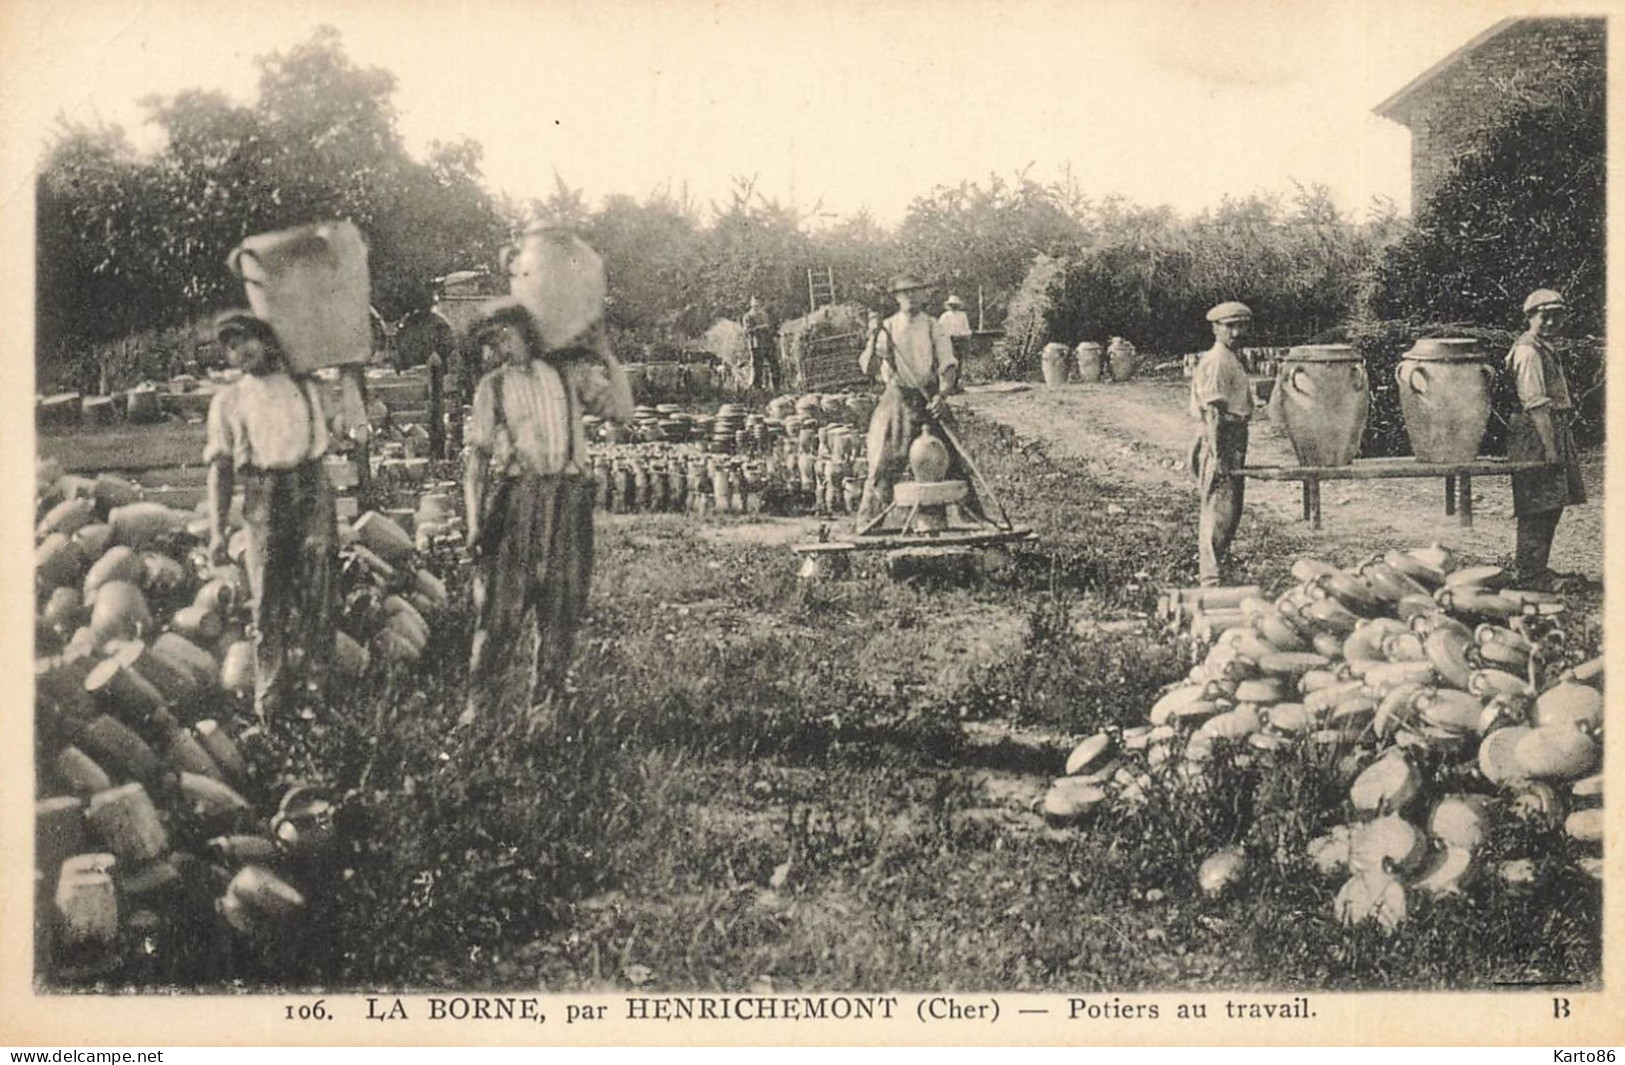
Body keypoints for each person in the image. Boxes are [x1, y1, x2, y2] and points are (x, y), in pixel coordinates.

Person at [461, 296, 634, 726]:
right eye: (489, 339)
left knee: (562, 607)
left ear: (524, 334)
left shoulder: (566, 375)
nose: (497, 345)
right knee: (501, 611)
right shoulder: (492, 388)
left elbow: (622, 412)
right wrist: (473, 521)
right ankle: (480, 711)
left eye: (503, 334)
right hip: (518, 499)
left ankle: (547, 708)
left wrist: (606, 354)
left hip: (569, 500)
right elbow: (476, 462)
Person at [204, 310, 337, 722]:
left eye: (245, 340)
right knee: (267, 601)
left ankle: (317, 691)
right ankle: (271, 698)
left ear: (267, 341)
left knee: (319, 589)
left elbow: (341, 414)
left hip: (310, 490)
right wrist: (217, 530)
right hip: (263, 498)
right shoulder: (229, 401)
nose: (238, 351)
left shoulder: (304, 386)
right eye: (229, 345)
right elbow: (220, 470)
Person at [856, 274, 983, 524]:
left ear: (924, 294)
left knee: (952, 459)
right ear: (896, 297)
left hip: (928, 398)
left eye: (915, 290)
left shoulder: (933, 325)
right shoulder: (888, 327)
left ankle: (976, 524)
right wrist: (872, 337)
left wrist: (941, 395)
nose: (910, 296)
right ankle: (868, 524)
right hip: (898, 399)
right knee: (884, 463)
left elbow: (948, 365)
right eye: (904, 292)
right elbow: (867, 367)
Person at [1506, 289, 1586, 591]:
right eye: (1544, 315)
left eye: (1557, 315)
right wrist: (1550, 448)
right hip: (1534, 432)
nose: (1551, 321)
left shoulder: (1544, 347)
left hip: (1548, 428)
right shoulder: (1528, 351)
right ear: (1529, 317)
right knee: (1537, 503)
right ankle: (1530, 575)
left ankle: (1534, 567)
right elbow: (1535, 402)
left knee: (1551, 502)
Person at [1188, 301, 1255, 587]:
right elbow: (1214, 412)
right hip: (1222, 437)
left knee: (1230, 508)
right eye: (1230, 326)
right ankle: (1211, 580)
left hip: (1233, 436)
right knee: (1218, 509)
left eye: (1241, 326)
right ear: (1216, 328)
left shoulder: (1230, 357)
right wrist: (1217, 454)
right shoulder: (1217, 361)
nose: (1236, 332)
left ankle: (1219, 569)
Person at [742, 296, 778, 393]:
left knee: (774, 365)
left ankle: (776, 388)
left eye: (759, 303)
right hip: (756, 344)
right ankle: (757, 389)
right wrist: (760, 328)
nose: (757, 305)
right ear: (751, 303)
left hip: (768, 343)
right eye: (755, 303)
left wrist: (771, 331)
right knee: (758, 367)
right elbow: (747, 331)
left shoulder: (764, 315)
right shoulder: (748, 316)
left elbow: (771, 327)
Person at [938, 294, 973, 363]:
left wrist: (963, 335)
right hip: (948, 340)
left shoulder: (962, 315)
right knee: (950, 360)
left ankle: (960, 371)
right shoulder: (945, 316)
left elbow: (966, 328)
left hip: (960, 340)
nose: (953, 306)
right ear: (949, 305)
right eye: (952, 304)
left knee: (960, 359)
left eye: (955, 305)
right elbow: (940, 329)